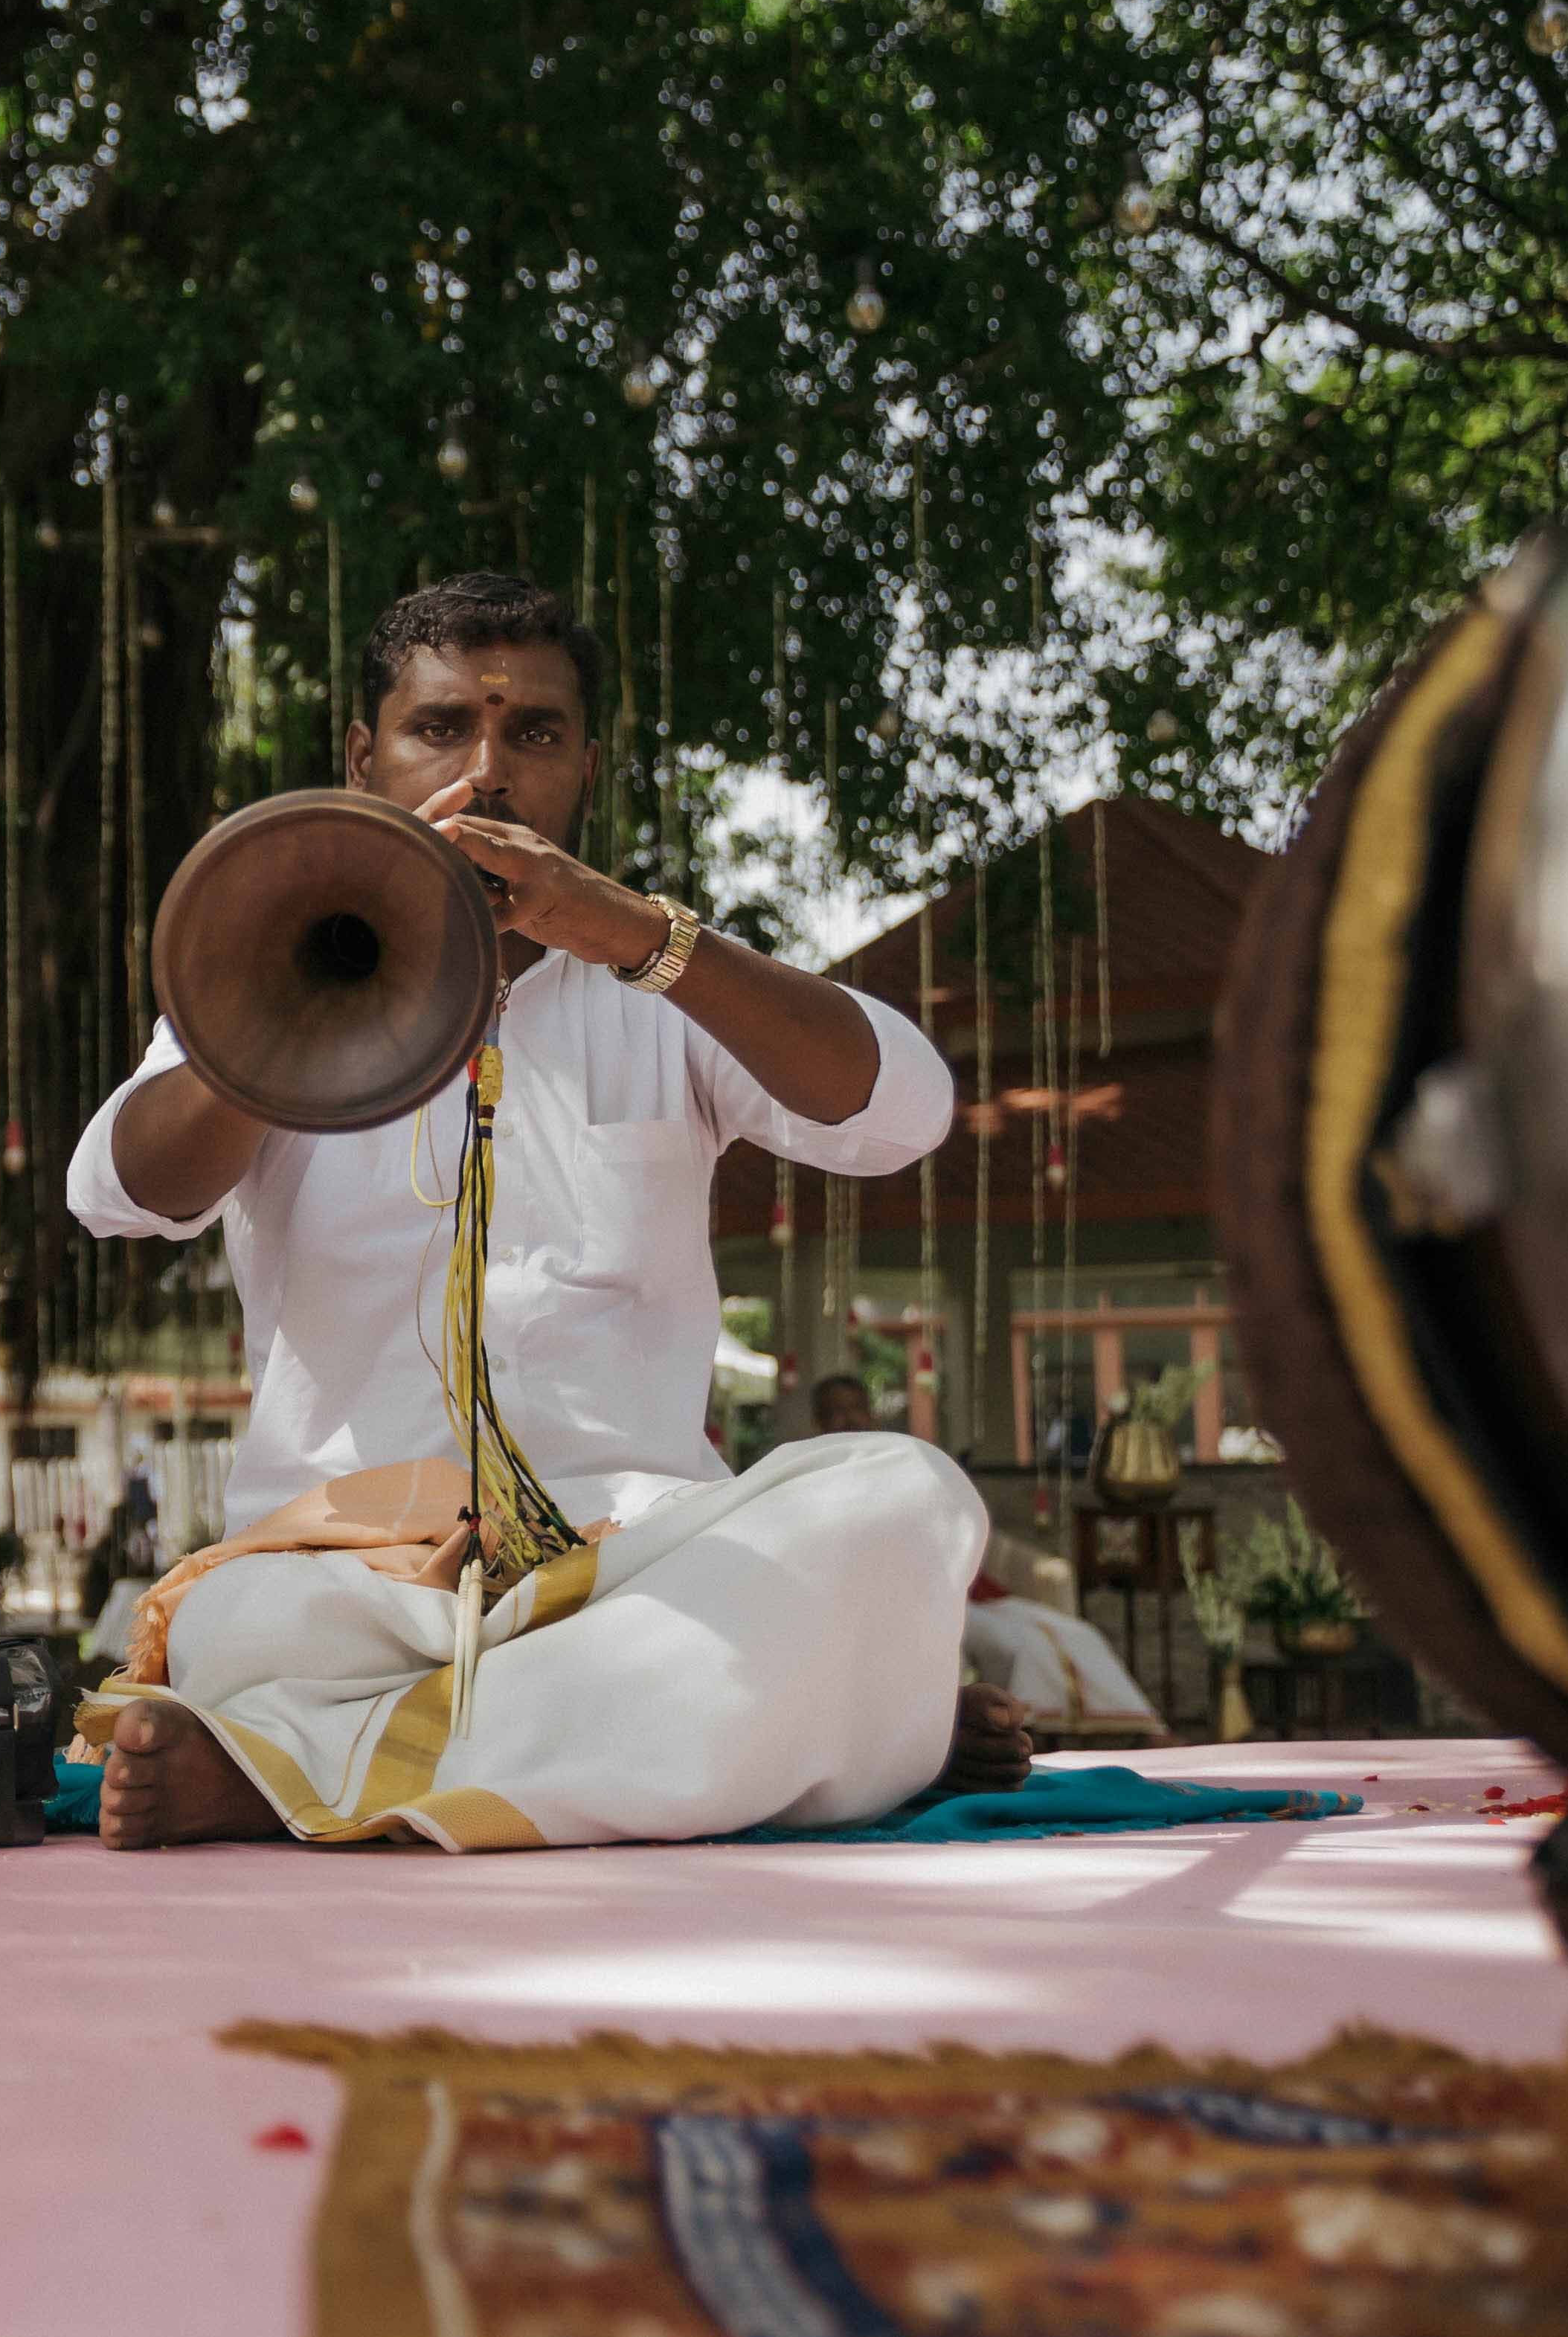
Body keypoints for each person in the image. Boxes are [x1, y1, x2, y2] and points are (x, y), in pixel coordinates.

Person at [72, 573, 1032, 1848]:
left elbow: (902, 1111)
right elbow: (120, 1194)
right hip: (342, 1581)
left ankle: (275, 1776)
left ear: (586, 764)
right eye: (437, 730)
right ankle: (829, 1728)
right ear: (363, 761)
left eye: (531, 734)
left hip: (636, 1562)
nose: (487, 768)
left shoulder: (657, 993)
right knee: (235, 1628)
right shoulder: (264, 984)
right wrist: (285, 1026)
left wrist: (637, 936)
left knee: (902, 1494)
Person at [803, 1372, 1167, 1739]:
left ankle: (1146, 1729)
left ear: (872, 1416)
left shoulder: (900, 1466)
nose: (848, 1419)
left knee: (1074, 1632)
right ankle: (1020, 1736)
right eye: (836, 1411)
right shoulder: (810, 1481)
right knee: (1018, 1647)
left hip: (953, 1591)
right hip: (894, 1605)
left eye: (856, 1409)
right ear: (818, 1423)